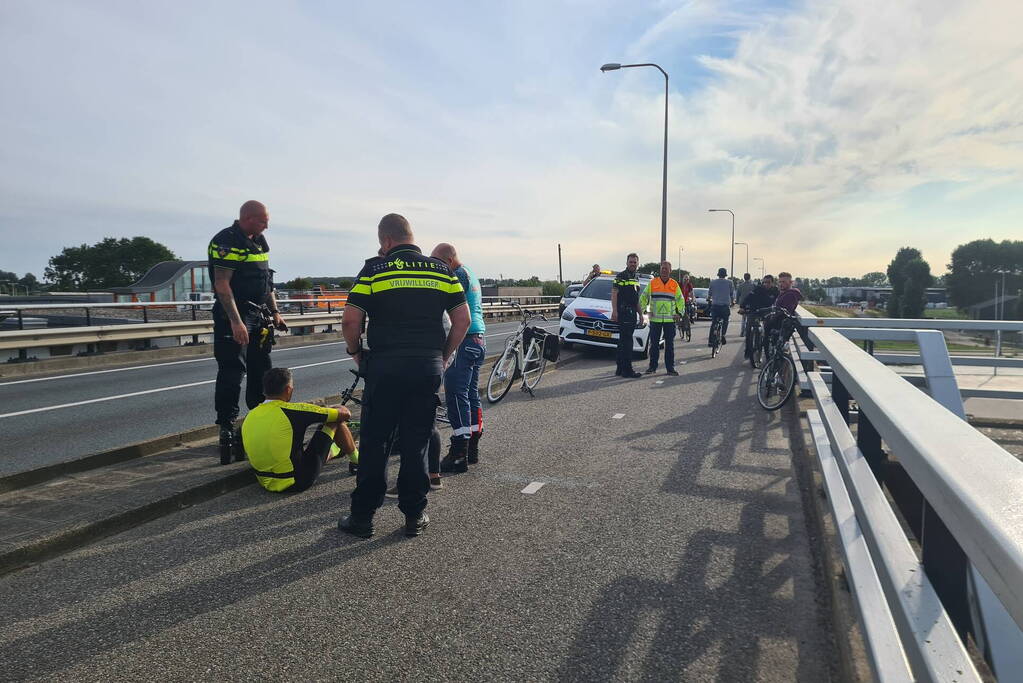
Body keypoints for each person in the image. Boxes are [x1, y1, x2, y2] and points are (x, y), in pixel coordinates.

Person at [338, 214, 470, 539]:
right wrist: (443, 356)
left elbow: (350, 320)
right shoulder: (442, 271)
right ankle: (414, 516)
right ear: (412, 237)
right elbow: (462, 320)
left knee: (375, 442)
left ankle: (363, 518)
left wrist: (356, 351)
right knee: (417, 443)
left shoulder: (373, 269)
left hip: (383, 368)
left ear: (386, 241)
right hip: (425, 369)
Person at [208, 200, 288, 465]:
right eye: (263, 220)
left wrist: (275, 312)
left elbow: (266, 282)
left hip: (259, 317)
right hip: (235, 317)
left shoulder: (260, 242)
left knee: (261, 371)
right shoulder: (226, 241)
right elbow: (222, 285)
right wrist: (235, 322)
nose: (267, 225)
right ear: (248, 218)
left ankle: (256, 418)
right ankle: (227, 425)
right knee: (232, 370)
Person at [241, 368, 357, 493]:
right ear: (288, 390)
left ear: (265, 390)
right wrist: (336, 407)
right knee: (334, 420)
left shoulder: (250, 415)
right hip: (297, 481)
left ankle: (334, 450)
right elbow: (345, 414)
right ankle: (357, 461)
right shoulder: (293, 410)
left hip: (264, 481)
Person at [431, 243, 486, 474]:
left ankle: (458, 453)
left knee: (455, 395)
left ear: (449, 260)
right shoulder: (470, 272)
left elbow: (447, 309)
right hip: (479, 339)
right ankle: (472, 447)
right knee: (471, 395)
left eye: (437, 263)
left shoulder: (456, 275)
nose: (435, 268)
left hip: (464, 340)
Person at [639, 261, 685, 375]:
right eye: (662, 269)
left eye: (666, 269)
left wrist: (679, 313)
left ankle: (670, 368)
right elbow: (644, 297)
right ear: (660, 270)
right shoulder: (653, 283)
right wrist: (645, 311)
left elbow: (680, 300)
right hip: (655, 319)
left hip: (670, 320)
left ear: (670, 271)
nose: (664, 271)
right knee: (654, 345)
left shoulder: (674, 284)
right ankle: (652, 367)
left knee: (670, 345)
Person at [611, 253, 643, 378]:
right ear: (626, 263)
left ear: (638, 264)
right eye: (631, 262)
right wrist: (614, 311)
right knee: (627, 342)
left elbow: (636, 299)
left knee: (623, 341)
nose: (633, 264)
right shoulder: (621, 276)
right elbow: (614, 294)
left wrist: (640, 314)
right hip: (624, 312)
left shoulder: (636, 278)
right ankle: (627, 370)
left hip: (632, 312)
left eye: (635, 262)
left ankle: (620, 368)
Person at [772, 271, 815, 350]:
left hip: (782, 325)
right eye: (780, 282)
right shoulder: (784, 293)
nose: (781, 284)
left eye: (784, 282)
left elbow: (786, 311)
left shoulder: (791, 294)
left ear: (791, 282)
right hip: (779, 324)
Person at [707, 267, 734, 346]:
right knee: (726, 320)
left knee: (713, 323)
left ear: (718, 274)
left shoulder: (713, 282)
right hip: (725, 306)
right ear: (725, 275)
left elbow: (709, 293)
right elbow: (732, 294)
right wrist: (732, 302)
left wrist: (708, 299)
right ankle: (723, 335)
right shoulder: (730, 282)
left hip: (715, 306)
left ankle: (710, 341)